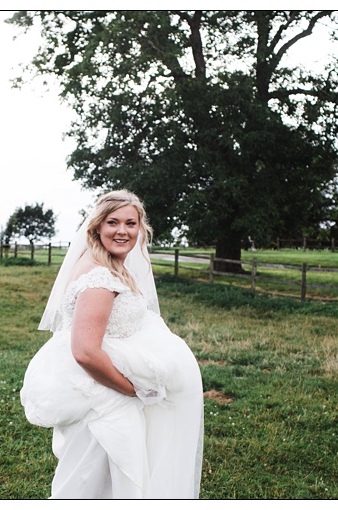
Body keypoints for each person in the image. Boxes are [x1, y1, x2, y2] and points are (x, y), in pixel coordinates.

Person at [20, 190, 204, 498]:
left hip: (105, 391)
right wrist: (132, 389)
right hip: (105, 399)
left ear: (141, 228)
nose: (123, 231)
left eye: (131, 223)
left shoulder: (109, 265)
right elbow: (86, 352)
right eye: (113, 222)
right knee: (93, 484)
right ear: (97, 227)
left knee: (103, 483)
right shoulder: (99, 278)